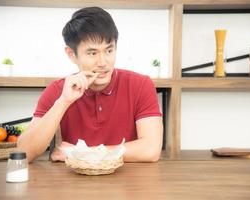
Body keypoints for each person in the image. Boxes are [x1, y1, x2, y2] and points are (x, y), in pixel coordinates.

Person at [18, 7, 163, 163]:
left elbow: (151, 149)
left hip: (129, 182)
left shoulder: (141, 85)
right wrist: (63, 101)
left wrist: (82, 153)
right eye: (92, 53)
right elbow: (24, 153)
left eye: (109, 50)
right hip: (74, 183)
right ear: (71, 54)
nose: (103, 63)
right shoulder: (57, 90)